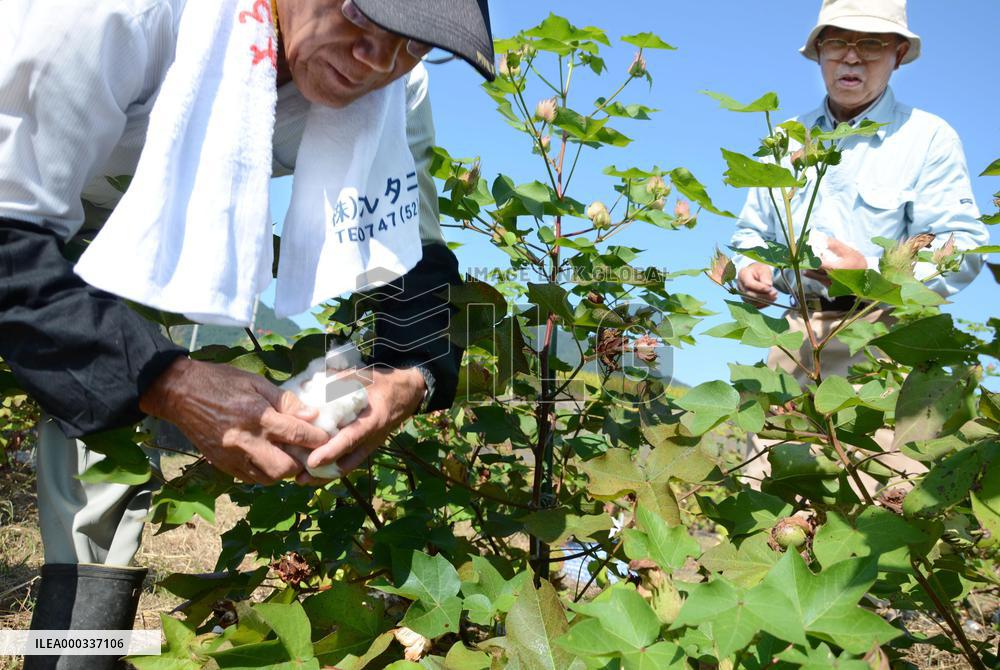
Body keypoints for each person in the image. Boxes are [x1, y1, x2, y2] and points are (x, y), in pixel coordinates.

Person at [0, 0, 494, 666]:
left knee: (105, 459)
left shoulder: (396, 82)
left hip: (142, 217)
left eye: (413, 40)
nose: (377, 57)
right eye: (360, 13)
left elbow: (414, 250)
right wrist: (169, 381)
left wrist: (411, 372)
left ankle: (76, 655)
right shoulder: (113, 13)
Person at [729, 0, 989, 490]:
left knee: (886, 495)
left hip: (884, 335)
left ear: (897, 53)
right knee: (771, 494)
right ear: (819, 52)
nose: (852, 57)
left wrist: (871, 269)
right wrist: (748, 267)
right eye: (837, 42)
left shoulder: (928, 137)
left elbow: (965, 246)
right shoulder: (786, 138)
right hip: (796, 334)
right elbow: (751, 234)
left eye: (869, 43)